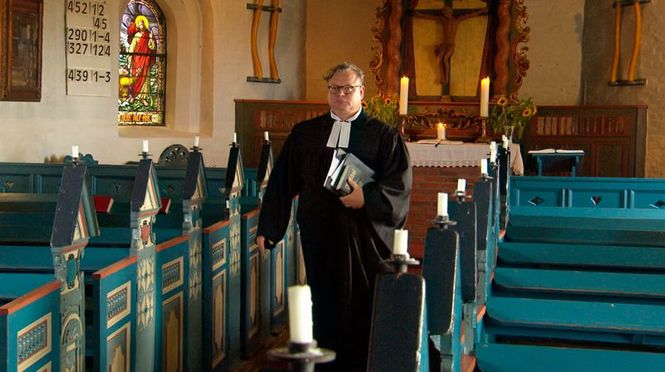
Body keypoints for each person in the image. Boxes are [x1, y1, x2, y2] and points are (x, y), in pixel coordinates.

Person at [257, 62, 412, 371]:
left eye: (348, 89)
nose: (341, 95)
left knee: (360, 304)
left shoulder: (383, 136)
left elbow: (399, 187)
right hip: (319, 235)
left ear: (362, 93)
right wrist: (269, 227)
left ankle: (361, 364)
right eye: (334, 89)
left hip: (362, 238)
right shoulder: (305, 133)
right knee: (323, 302)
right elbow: (282, 182)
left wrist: (365, 198)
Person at [413, 5, 487, 87]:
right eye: (444, 13)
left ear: (450, 12)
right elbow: (430, 17)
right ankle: (443, 77)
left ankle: (446, 77)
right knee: (440, 59)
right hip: (444, 44)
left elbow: (469, 15)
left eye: (446, 12)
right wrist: (419, 14)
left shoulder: (457, 20)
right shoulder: (443, 20)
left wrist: (480, 11)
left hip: (451, 45)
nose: (445, 14)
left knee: (445, 59)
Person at [126, 15, 157, 106]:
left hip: (145, 60)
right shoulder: (137, 35)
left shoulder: (148, 35)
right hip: (137, 60)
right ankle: (133, 96)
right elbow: (132, 47)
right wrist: (130, 57)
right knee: (136, 77)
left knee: (145, 78)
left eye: (142, 24)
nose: (141, 25)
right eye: (139, 24)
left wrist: (151, 38)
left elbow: (152, 47)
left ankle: (143, 98)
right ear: (138, 26)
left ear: (145, 25)